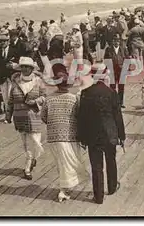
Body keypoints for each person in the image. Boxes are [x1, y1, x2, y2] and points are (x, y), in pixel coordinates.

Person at [77, 64, 125, 204]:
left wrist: (82, 137)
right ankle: (112, 187)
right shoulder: (111, 93)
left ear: (92, 75)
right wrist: (121, 136)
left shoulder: (86, 93)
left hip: (93, 135)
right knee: (111, 160)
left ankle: (98, 196)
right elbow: (118, 117)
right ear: (105, 75)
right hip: (110, 133)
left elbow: (82, 117)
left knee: (96, 166)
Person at [41, 64, 90, 202]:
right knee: (69, 163)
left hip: (54, 137)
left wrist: (54, 124)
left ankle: (65, 188)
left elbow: (44, 117)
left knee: (62, 164)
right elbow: (79, 116)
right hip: (70, 136)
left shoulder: (49, 99)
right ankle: (64, 190)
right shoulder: (74, 98)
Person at [6, 57, 46, 180]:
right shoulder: (15, 82)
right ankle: (28, 166)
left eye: (27, 67)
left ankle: (32, 161)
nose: (25, 69)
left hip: (34, 116)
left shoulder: (38, 81)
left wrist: (35, 101)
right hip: (20, 116)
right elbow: (10, 100)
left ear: (32, 68)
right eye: (23, 67)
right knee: (26, 144)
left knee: (35, 142)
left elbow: (45, 96)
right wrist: (8, 115)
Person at [103, 34, 130, 108]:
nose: (116, 42)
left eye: (118, 40)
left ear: (120, 41)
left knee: (121, 87)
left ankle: (121, 102)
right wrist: (106, 69)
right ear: (112, 41)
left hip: (121, 70)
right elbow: (105, 60)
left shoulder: (123, 49)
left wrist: (127, 70)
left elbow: (127, 59)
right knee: (112, 87)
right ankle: (113, 102)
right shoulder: (108, 49)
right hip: (112, 70)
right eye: (115, 40)